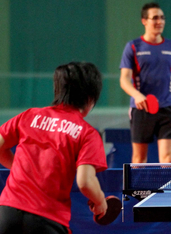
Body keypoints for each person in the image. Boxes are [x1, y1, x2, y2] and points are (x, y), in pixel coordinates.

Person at [0, 62, 108, 233]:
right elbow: (85, 181)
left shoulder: (29, 116)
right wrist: (100, 200)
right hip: (47, 219)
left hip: (7, 213)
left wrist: (22, 170)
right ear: (90, 98)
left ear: (58, 90)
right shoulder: (87, 134)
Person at [120, 2, 171, 163]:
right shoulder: (133, 47)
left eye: (162, 18)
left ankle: (168, 189)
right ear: (144, 21)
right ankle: (135, 189)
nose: (160, 21)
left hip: (167, 109)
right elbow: (124, 78)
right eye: (155, 18)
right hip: (142, 109)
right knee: (139, 158)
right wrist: (137, 95)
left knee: (168, 159)